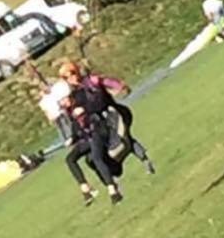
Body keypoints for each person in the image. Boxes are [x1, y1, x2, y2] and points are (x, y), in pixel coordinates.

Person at [58, 61, 154, 206]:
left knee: (124, 140)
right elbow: (77, 120)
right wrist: (73, 133)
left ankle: (140, 164)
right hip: (95, 127)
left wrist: (120, 87)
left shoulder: (91, 82)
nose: (70, 78)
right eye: (66, 77)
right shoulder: (75, 94)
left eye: (71, 74)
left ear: (76, 72)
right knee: (91, 158)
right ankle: (108, 182)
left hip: (112, 117)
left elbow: (103, 96)